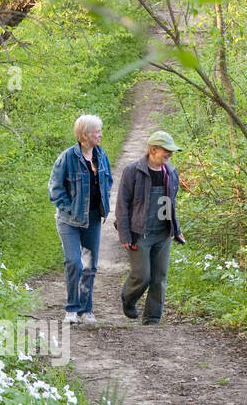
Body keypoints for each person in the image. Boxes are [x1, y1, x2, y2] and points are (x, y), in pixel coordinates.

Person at [48, 114, 112, 327]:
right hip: (69, 221)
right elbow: (55, 189)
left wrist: (103, 204)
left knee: (90, 265)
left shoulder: (101, 156)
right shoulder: (66, 158)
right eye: (97, 132)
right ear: (85, 135)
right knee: (74, 261)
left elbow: (108, 180)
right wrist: (69, 209)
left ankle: (87, 309)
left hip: (93, 218)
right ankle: (72, 309)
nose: (100, 135)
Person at [117, 131, 185, 325]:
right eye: (167, 150)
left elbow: (171, 204)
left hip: (163, 233)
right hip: (140, 234)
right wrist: (125, 234)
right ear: (153, 150)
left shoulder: (170, 173)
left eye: (172, 151)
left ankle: (152, 318)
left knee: (159, 277)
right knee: (142, 275)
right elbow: (122, 205)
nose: (170, 154)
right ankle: (128, 299)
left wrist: (176, 229)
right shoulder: (133, 171)